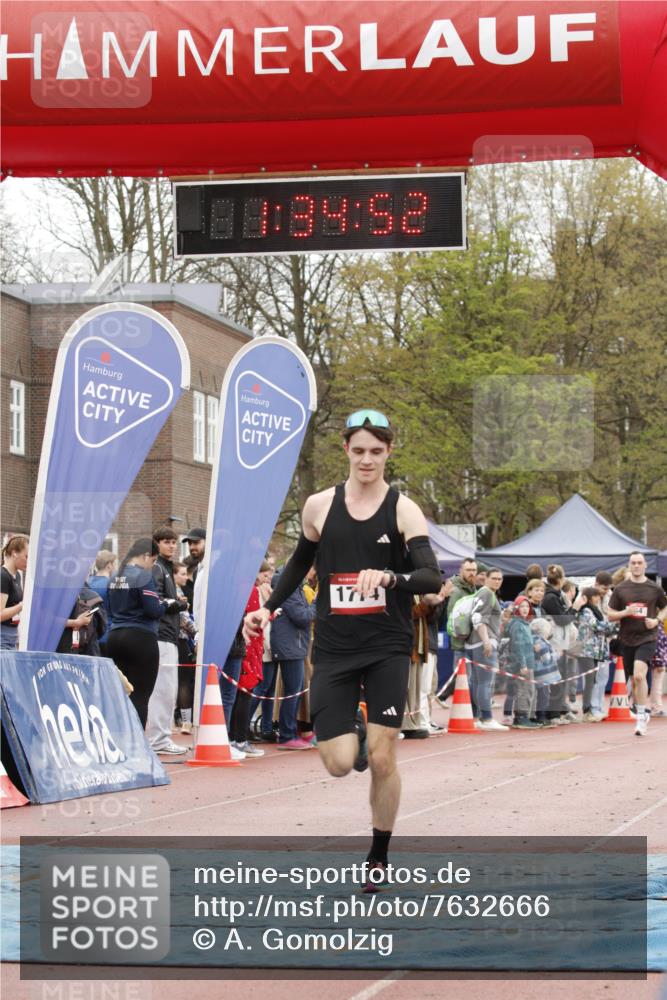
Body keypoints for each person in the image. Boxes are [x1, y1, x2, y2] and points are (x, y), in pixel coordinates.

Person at [243, 409, 441, 885]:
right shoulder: (318, 506)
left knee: (384, 757)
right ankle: (355, 732)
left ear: (388, 452)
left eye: (376, 451)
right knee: (337, 763)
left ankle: (378, 857)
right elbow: (297, 565)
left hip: (387, 645)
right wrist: (267, 608)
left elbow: (431, 577)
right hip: (334, 648)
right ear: (346, 451)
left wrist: (390, 577)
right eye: (359, 451)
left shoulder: (403, 510)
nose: (367, 460)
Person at [107, 538, 165, 728]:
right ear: (146, 556)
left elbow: (109, 609)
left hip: (115, 636)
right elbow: (153, 610)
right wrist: (168, 605)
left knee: (117, 695)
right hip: (140, 638)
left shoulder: (115, 577)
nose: (152, 566)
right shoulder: (143, 577)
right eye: (153, 561)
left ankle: (118, 738)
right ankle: (136, 741)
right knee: (140, 696)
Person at [607, 552, 667, 736]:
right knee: (634, 680)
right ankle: (641, 709)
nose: (636, 566)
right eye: (633, 563)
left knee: (640, 676)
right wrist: (625, 612)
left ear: (645, 565)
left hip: (648, 637)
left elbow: (665, 607)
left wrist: (657, 620)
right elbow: (610, 615)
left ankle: (641, 717)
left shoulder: (654, 588)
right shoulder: (620, 589)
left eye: (639, 563)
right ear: (629, 565)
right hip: (627, 639)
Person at [146, 528, 189, 756]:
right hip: (161, 635)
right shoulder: (157, 568)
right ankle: (159, 739)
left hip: (168, 634)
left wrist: (175, 601)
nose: (172, 546)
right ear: (157, 543)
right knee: (163, 690)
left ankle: (160, 737)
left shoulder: (165, 568)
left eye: (174, 542)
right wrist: (178, 604)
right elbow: (156, 600)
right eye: (166, 542)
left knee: (167, 689)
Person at [269, 567, 317, 750]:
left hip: (293, 644)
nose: (312, 572)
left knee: (294, 691)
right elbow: (303, 616)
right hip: (290, 645)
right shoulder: (289, 586)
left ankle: (289, 733)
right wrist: (317, 602)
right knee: (292, 692)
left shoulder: (294, 585)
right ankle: (287, 735)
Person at [464, 567, 508, 731]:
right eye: (494, 578)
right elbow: (478, 618)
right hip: (483, 642)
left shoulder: (482, 593)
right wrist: (486, 641)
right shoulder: (487, 593)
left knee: (477, 682)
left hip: (474, 642)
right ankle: (487, 718)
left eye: (500, 579)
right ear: (486, 578)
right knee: (484, 683)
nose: (497, 581)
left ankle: (477, 717)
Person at [576, 586, 617, 721]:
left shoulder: (595, 610)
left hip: (594, 650)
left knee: (593, 680)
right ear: (589, 597)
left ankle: (592, 709)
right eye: (595, 596)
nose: (598, 598)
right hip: (586, 650)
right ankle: (587, 710)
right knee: (590, 680)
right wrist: (616, 626)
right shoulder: (586, 610)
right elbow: (596, 626)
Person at [505, 595, 538, 729]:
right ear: (516, 608)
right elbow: (518, 646)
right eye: (522, 606)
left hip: (528, 661)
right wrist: (523, 664)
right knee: (523, 689)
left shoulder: (524, 624)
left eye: (527, 606)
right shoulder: (518, 625)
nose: (525, 609)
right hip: (522, 663)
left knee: (528, 689)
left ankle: (525, 716)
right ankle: (520, 717)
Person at [1, 534, 29, 650]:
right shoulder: (3, 576)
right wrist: (22, 605)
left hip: (12, 637)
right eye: (26, 556)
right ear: (14, 553)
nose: (28, 561)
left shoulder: (17, 575)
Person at [87, 549, 116, 654]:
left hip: (90, 636)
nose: (115, 568)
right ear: (109, 565)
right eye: (114, 564)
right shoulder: (111, 585)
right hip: (108, 635)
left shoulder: (87, 583)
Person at [181, 528, 206, 607]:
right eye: (189, 543)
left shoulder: (213, 569)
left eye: (196, 542)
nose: (191, 547)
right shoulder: (196, 572)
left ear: (207, 542)